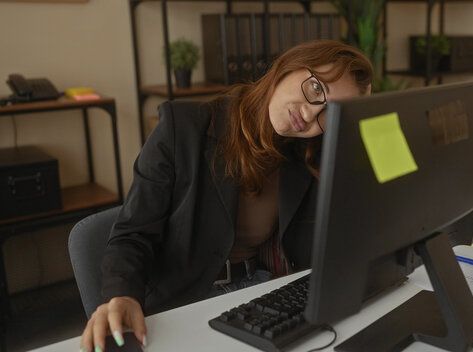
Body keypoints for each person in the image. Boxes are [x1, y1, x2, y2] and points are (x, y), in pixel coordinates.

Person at [80, 40, 374, 351]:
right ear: (290, 65)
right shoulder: (184, 127)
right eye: (316, 89)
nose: (311, 113)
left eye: (331, 114)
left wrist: (357, 122)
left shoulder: (306, 152)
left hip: (260, 293)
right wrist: (121, 295)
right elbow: (132, 233)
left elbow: (352, 222)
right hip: (187, 300)